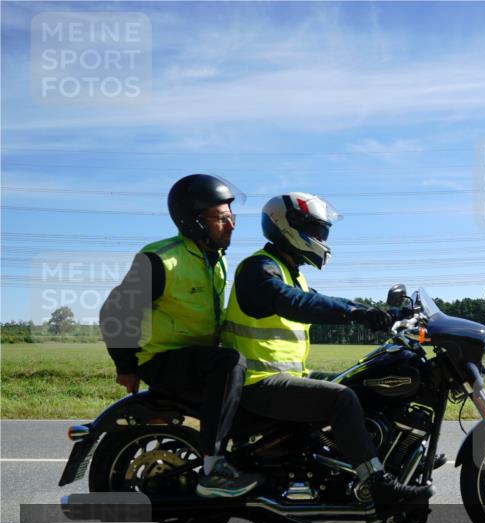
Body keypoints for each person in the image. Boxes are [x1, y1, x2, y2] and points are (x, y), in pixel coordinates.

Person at [220, 192, 433, 505]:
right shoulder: (259, 269)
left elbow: (328, 300)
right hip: (258, 382)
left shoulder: (291, 273)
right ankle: (376, 482)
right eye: (315, 230)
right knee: (341, 399)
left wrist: (386, 313)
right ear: (287, 226)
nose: (320, 239)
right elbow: (295, 303)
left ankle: (391, 455)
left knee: (359, 384)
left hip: (285, 377)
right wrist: (355, 314)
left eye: (323, 232)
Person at [99, 174, 261, 498]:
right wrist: (126, 366)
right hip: (162, 359)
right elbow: (114, 312)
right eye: (221, 218)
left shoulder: (215, 260)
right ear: (194, 221)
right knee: (229, 362)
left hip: (197, 360)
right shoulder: (161, 260)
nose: (231, 225)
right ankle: (214, 468)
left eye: (232, 217)